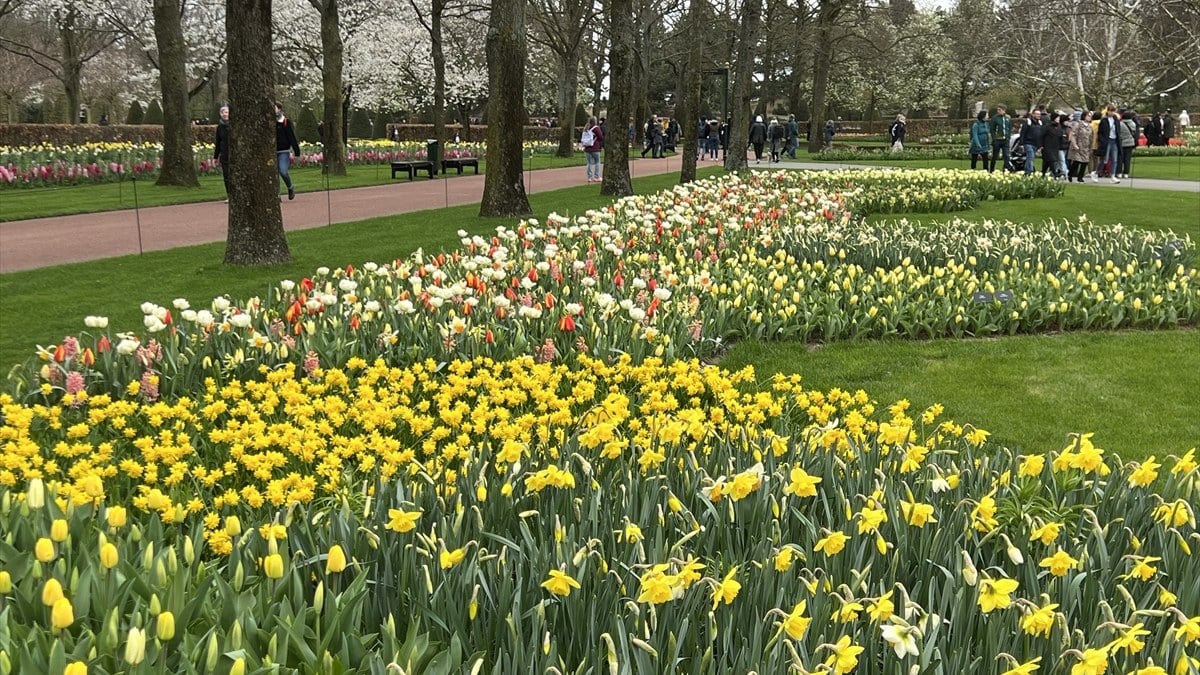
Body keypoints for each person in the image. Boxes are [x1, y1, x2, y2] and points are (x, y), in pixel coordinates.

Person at [275, 102, 301, 200]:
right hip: (272, 151)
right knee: (273, 175)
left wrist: (296, 152)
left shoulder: (285, 121)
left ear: (279, 109)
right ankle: (276, 194)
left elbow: (291, 136)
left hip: (283, 151)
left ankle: (290, 187)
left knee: (283, 171)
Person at [1093, 105, 1121, 183]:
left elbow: (1118, 130)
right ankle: (1096, 173)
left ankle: (1113, 175)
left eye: (1113, 111)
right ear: (1107, 111)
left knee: (1114, 159)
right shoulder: (1104, 120)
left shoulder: (1116, 120)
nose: (1112, 113)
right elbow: (1100, 132)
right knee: (1104, 159)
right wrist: (1102, 140)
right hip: (1107, 141)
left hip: (1114, 140)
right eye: (1110, 111)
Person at [1067, 109, 1093, 183]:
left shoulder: (1090, 126)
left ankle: (1080, 177)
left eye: (1090, 116)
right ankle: (1070, 174)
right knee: (1077, 161)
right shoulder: (1078, 124)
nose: (1089, 117)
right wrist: (1075, 144)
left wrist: (1090, 146)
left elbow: (1091, 137)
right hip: (1078, 146)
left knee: (1085, 162)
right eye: (1088, 116)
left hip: (1086, 147)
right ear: (1084, 116)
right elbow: (1074, 135)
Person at [1019, 108, 1044, 176]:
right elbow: (1023, 133)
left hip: (1036, 144)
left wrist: (1040, 145)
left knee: (1031, 158)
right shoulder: (1028, 122)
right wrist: (1021, 143)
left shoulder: (1040, 123)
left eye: (1039, 114)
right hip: (1028, 143)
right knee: (1030, 156)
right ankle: (1030, 171)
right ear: (1033, 114)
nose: (1039, 115)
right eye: (1037, 114)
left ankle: (1027, 171)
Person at [214, 105, 231, 202]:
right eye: (223, 112)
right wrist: (215, 157)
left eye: (227, 112)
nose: (225, 114)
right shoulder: (220, 127)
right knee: (226, 176)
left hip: (234, 154)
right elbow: (218, 142)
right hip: (225, 154)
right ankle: (229, 195)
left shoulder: (234, 125)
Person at [988, 104, 1011, 172]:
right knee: (995, 156)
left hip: (1005, 140)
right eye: (997, 110)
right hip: (997, 140)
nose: (998, 111)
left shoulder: (1008, 117)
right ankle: (991, 170)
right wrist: (994, 138)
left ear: (1004, 110)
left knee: (1006, 155)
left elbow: (1009, 128)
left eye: (999, 110)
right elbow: (992, 129)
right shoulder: (995, 118)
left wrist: (1008, 137)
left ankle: (1006, 170)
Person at [581, 116, 603, 183]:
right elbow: (600, 137)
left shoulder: (586, 128)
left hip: (587, 148)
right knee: (597, 162)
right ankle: (596, 177)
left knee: (589, 163)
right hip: (595, 147)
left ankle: (589, 177)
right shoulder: (596, 128)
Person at [1117, 110, 1137, 179]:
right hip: (1130, 143)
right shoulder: (1133, 124)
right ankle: (1126, 173)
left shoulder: (1120, 124)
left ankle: (1119, 172)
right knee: (1127, 159)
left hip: (1122, 143)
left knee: (1120, 158)